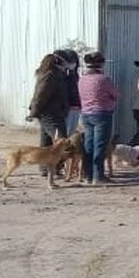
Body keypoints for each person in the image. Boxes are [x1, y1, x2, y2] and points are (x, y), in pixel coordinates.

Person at [77, 52, 118, 185]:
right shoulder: (104, 79)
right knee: (100, 145)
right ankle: (98, 176)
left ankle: (88, 175)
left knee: (88, 145)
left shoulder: (82, 79)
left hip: (86, 114)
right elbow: (116, 95)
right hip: (102, 113)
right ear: (100, 64)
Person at [28, 53, 70, 176]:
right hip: (50, 113)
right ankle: (55, 168)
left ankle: (45, 168)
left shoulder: (54, 74)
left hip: (51, 112)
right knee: (61, 141)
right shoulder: (51, 75)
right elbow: (41, 94)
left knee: (46, 141)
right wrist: (34, 112)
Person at [55, 49, 82, 140]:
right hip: (67, 108)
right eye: (71, 61)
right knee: (64, 134)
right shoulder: (62, 75)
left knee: (70, 132)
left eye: (74, 61)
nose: (73, 63)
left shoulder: (74, 75)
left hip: (76, 107)